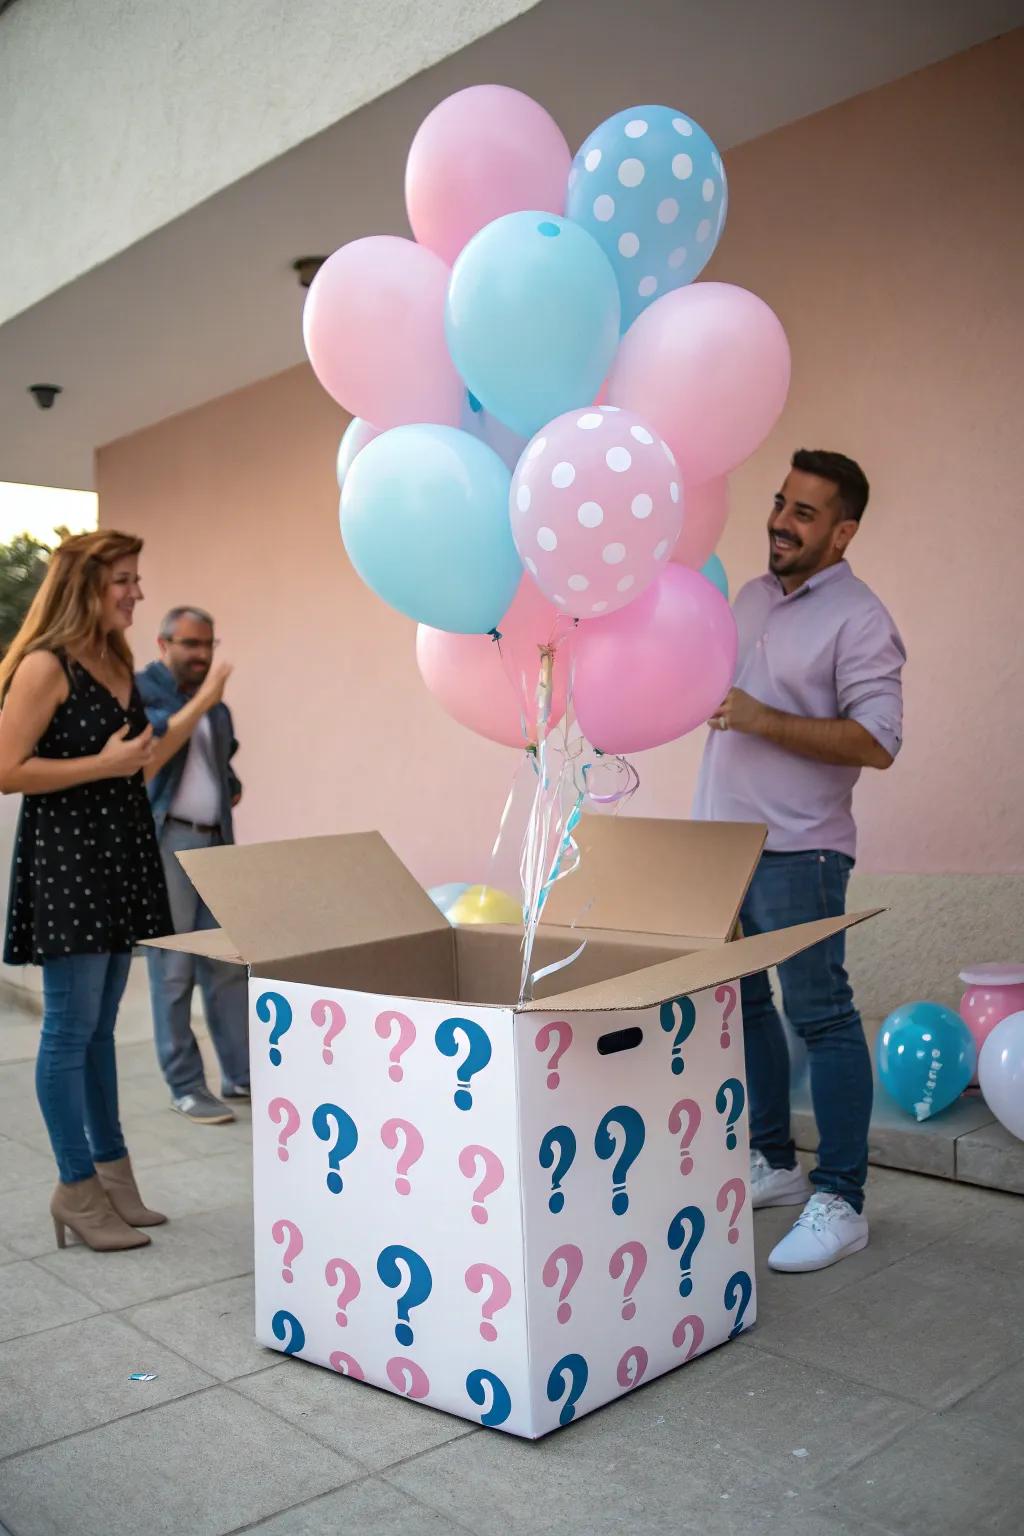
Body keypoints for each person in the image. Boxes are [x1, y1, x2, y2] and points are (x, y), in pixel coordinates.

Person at [694, 449, 905, 1273]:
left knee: (822, 1017)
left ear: (843, 530)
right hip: (719, 850)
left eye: (805, 512)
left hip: (800, 852)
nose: (781, 520)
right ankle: (774, 1161)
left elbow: (879, 740)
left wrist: (761, 718)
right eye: (782, 502)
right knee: (746, 1009)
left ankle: (842, 1198)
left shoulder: (860, 618)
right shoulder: (746, 598)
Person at [0, 531, 231, 1252]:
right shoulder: (46, 665)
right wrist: (99, 765)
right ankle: (75, 1188)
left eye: (136, 578)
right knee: (70, 1030)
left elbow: (142, 756)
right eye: (123, 581)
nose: (136, 592)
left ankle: (111, 1176)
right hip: (68, 860)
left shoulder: (118, 660)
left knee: (99, 1029)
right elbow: (8, 769)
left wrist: (174, 726)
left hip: (117, 856)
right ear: (85, 586)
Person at [137, 607, 249, 1125]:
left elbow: (221, 762)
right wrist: (206, 698)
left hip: (215, 845)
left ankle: (240, 1074)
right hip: (167, 844)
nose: (202, 655)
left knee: (227, 964)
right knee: (174, 970)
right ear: (163, 645)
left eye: (208, 644)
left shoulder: (216, 707)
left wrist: (227, 790)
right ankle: (185, 1085)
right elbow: (157, 746)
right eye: (190, 644)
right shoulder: (146, 690)